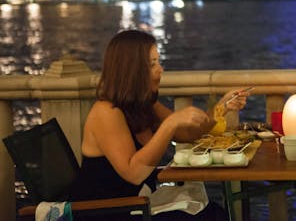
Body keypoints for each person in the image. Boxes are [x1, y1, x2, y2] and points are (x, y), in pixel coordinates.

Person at [70, 29, 250, 220]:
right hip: (107, 211)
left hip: (136, 203)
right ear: (132, 69)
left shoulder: (142, 104)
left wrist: (222, 107)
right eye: (152, 64)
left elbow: (188, 134)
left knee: (214, 212)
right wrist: (169, 125)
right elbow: (134, 173)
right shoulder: (106, 112)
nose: (160, 69)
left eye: (159, 62)